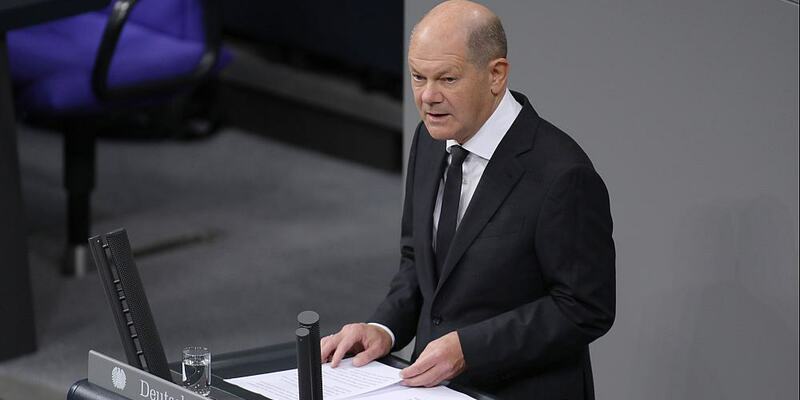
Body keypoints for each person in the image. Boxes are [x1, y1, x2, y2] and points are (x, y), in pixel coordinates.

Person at [321, 1, 615, 398]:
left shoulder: (562, 174)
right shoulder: (430, 139)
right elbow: (419, 264)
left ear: (496, 75)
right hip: (435, 390)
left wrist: (470, 350)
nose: (428, 97)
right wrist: (384, 329)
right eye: (418, 77)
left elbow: (584, 307)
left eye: (447, 79)